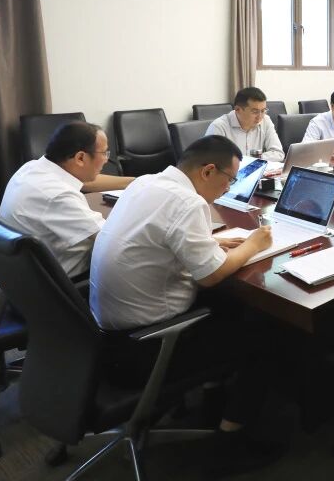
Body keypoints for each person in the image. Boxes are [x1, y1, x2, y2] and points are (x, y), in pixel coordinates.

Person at [90, 136, 276, 450]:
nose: (227, 189)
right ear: (207, 171)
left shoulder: (147, 183)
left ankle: (212, 397)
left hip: (104, 338)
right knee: (264, 335)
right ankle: (231, 443)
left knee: (227, 305)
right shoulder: (188, 203)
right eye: (229, 180)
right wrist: (253, 245)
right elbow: (212, 275)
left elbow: (157, 236)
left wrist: (211, 243)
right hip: (145, 348)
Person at [0, 121, 133, 277]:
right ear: (80, 158)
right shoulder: (58, 196)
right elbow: (112, 241)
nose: (105, 159)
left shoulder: (33, 168)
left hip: (20, 269)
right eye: (104, 153)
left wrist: (139, 182)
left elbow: (88, 181)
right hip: (66, 280)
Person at [206, 87, 284, 161]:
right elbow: (212, 159)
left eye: (263, 111)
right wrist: (249, 161)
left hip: (257, 168)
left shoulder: (265, 120)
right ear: (237, 109)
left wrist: (256, 159)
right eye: (255, 112)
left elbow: (278, 153)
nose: (260, 117)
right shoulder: (219, 127)